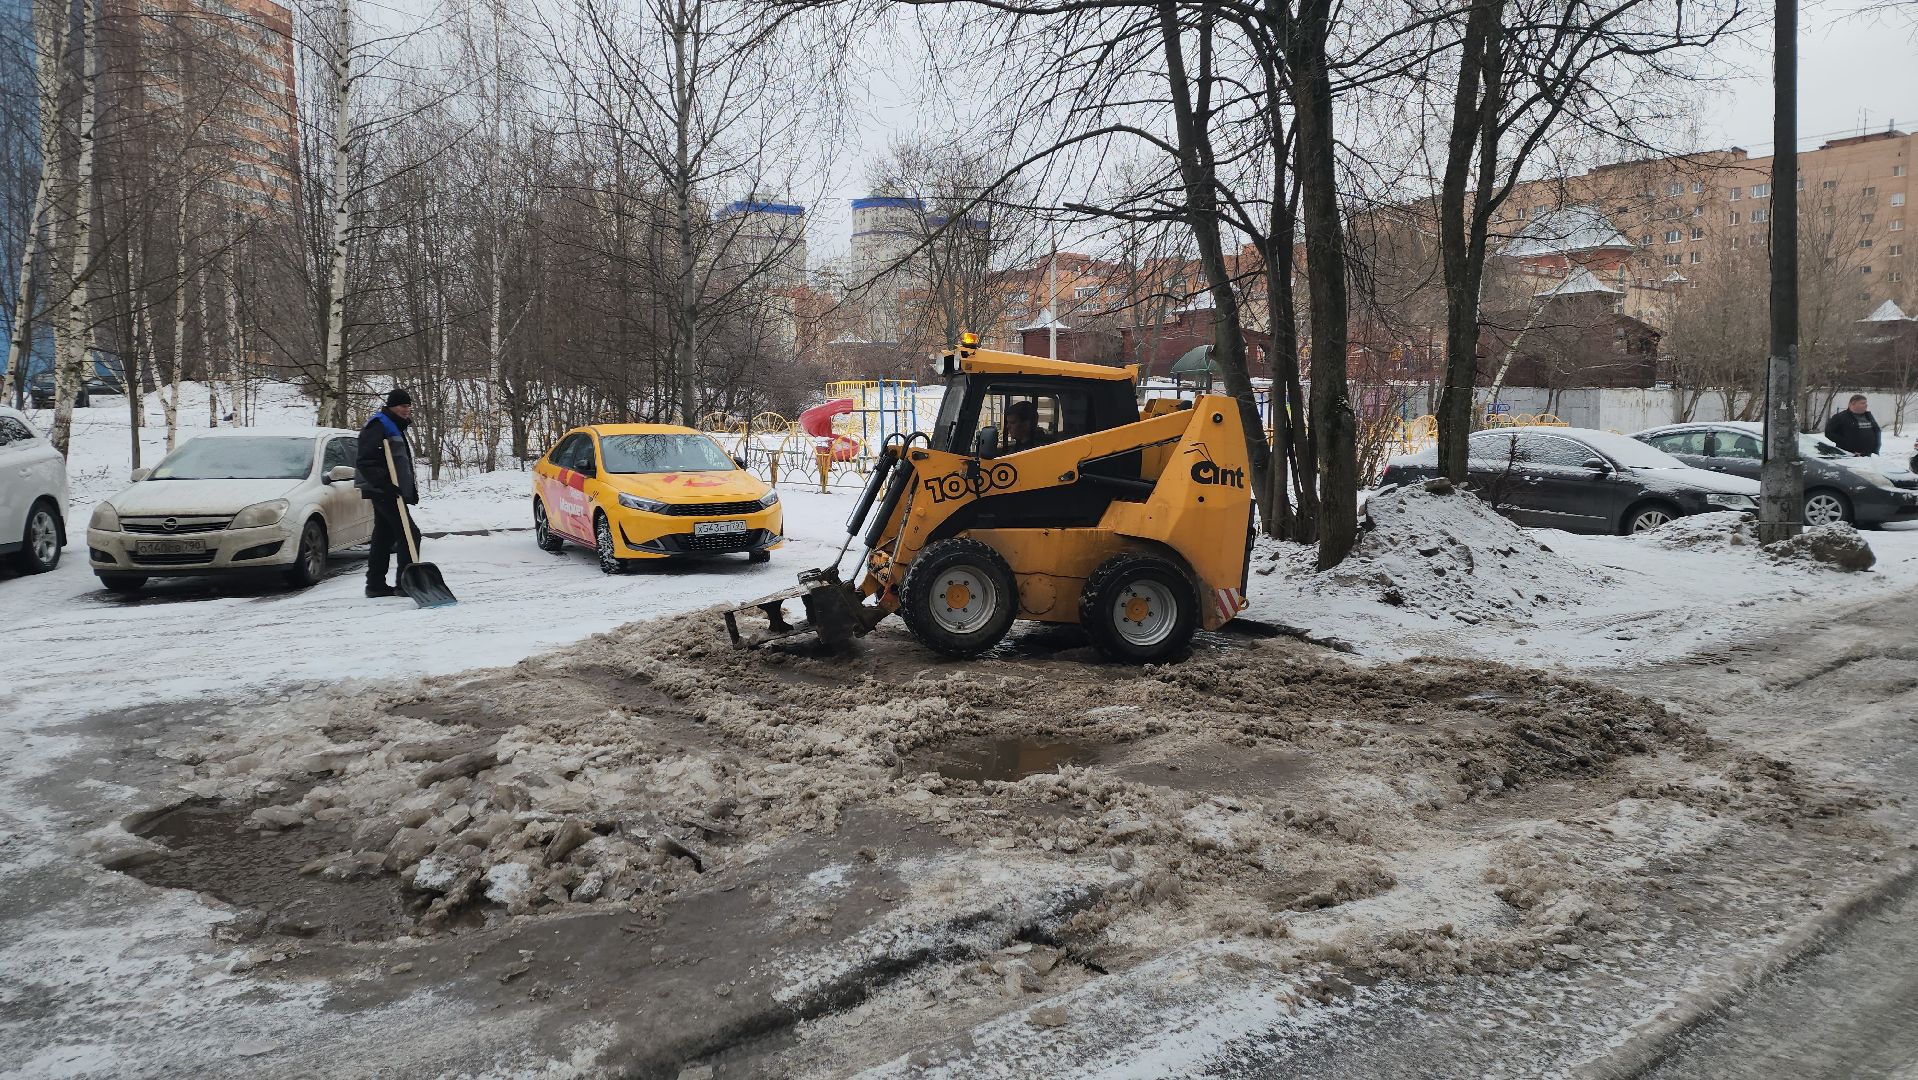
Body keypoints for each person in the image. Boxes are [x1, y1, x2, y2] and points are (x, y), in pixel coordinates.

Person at [356, 388, 421, 598]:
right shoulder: (379, 424)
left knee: (384, 536)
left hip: (389, 490)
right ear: (392, 406)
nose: (407, 410)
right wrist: (385, 485)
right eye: (403, 406)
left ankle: (375, 585)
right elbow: (366, 460)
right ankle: (405, 583)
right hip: (384, 490)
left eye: (408, 406)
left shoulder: (392, 425)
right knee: (410, 534)